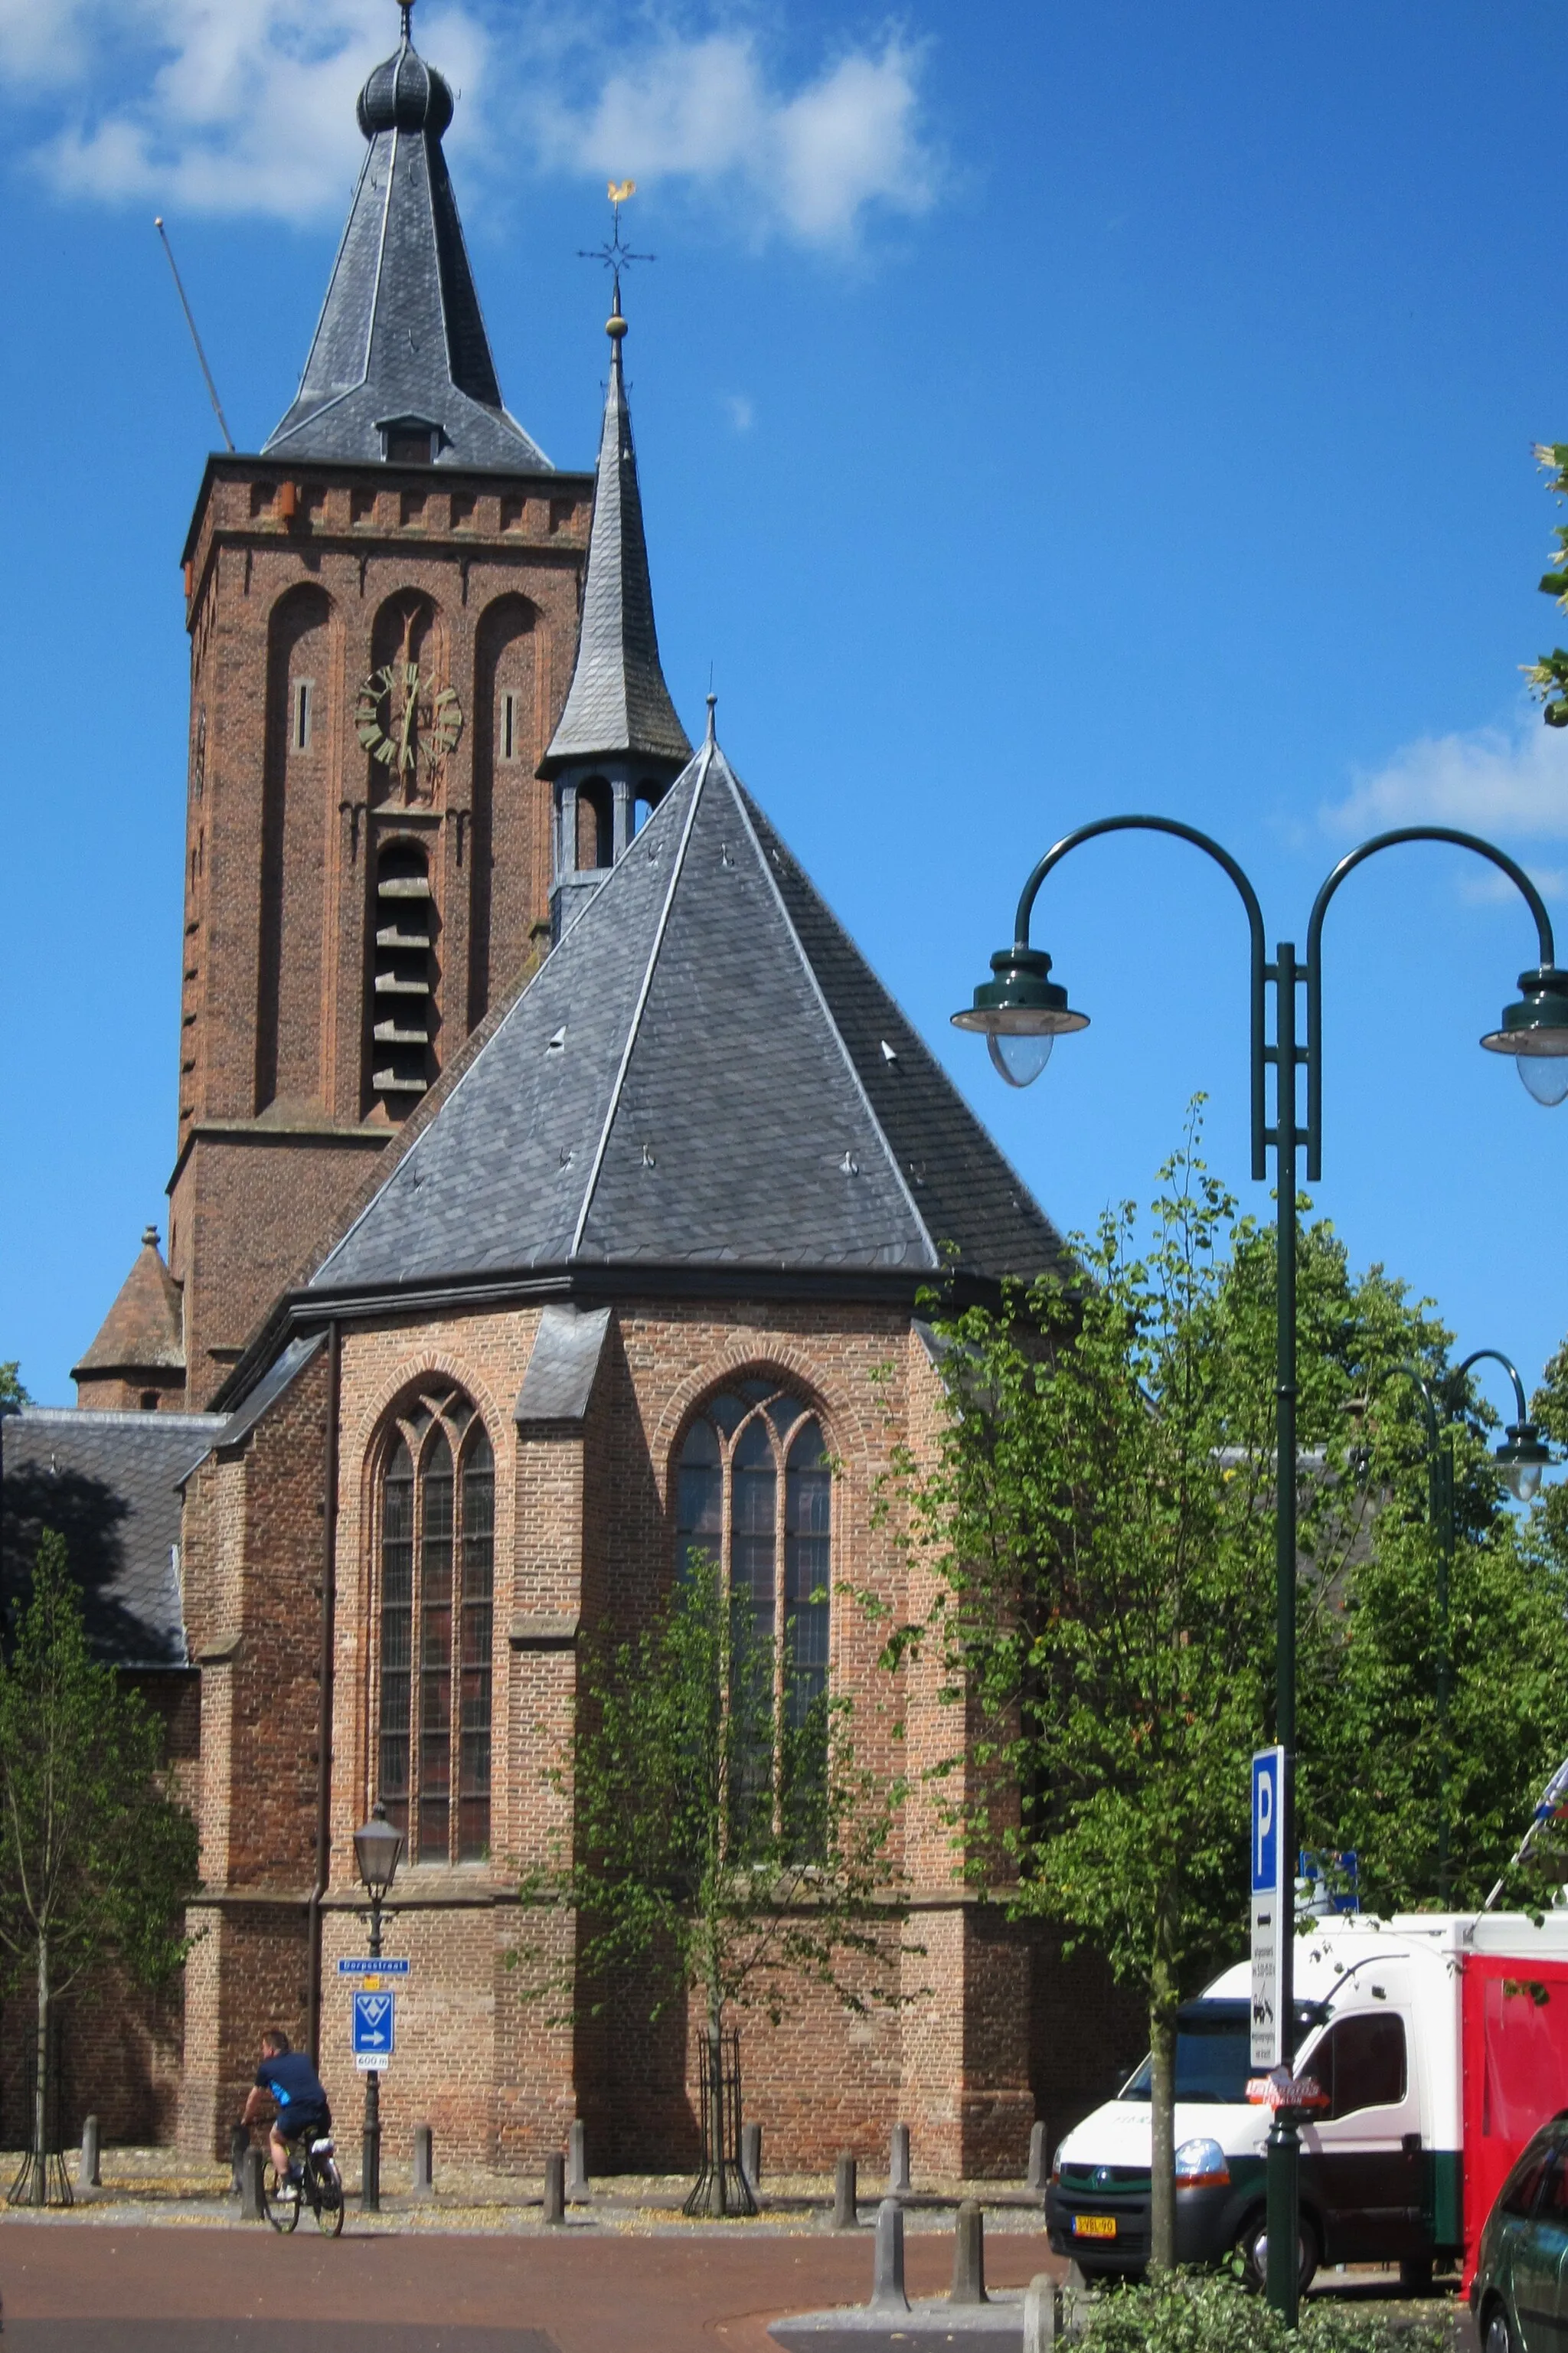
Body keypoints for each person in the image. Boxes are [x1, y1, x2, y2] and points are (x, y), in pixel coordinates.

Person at [241, 2029, 332, 2198]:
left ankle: (289, 2186)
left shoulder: (266, 2068)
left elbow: (255, 2097)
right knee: (313, 2144)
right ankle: (326, 2178)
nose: (262, 2052)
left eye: (263, 2048)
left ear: (271, 2049)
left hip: (296, 2112)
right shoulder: (304, 2060)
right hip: (322, 2111)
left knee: (275, 2138)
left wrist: (247, 2118)